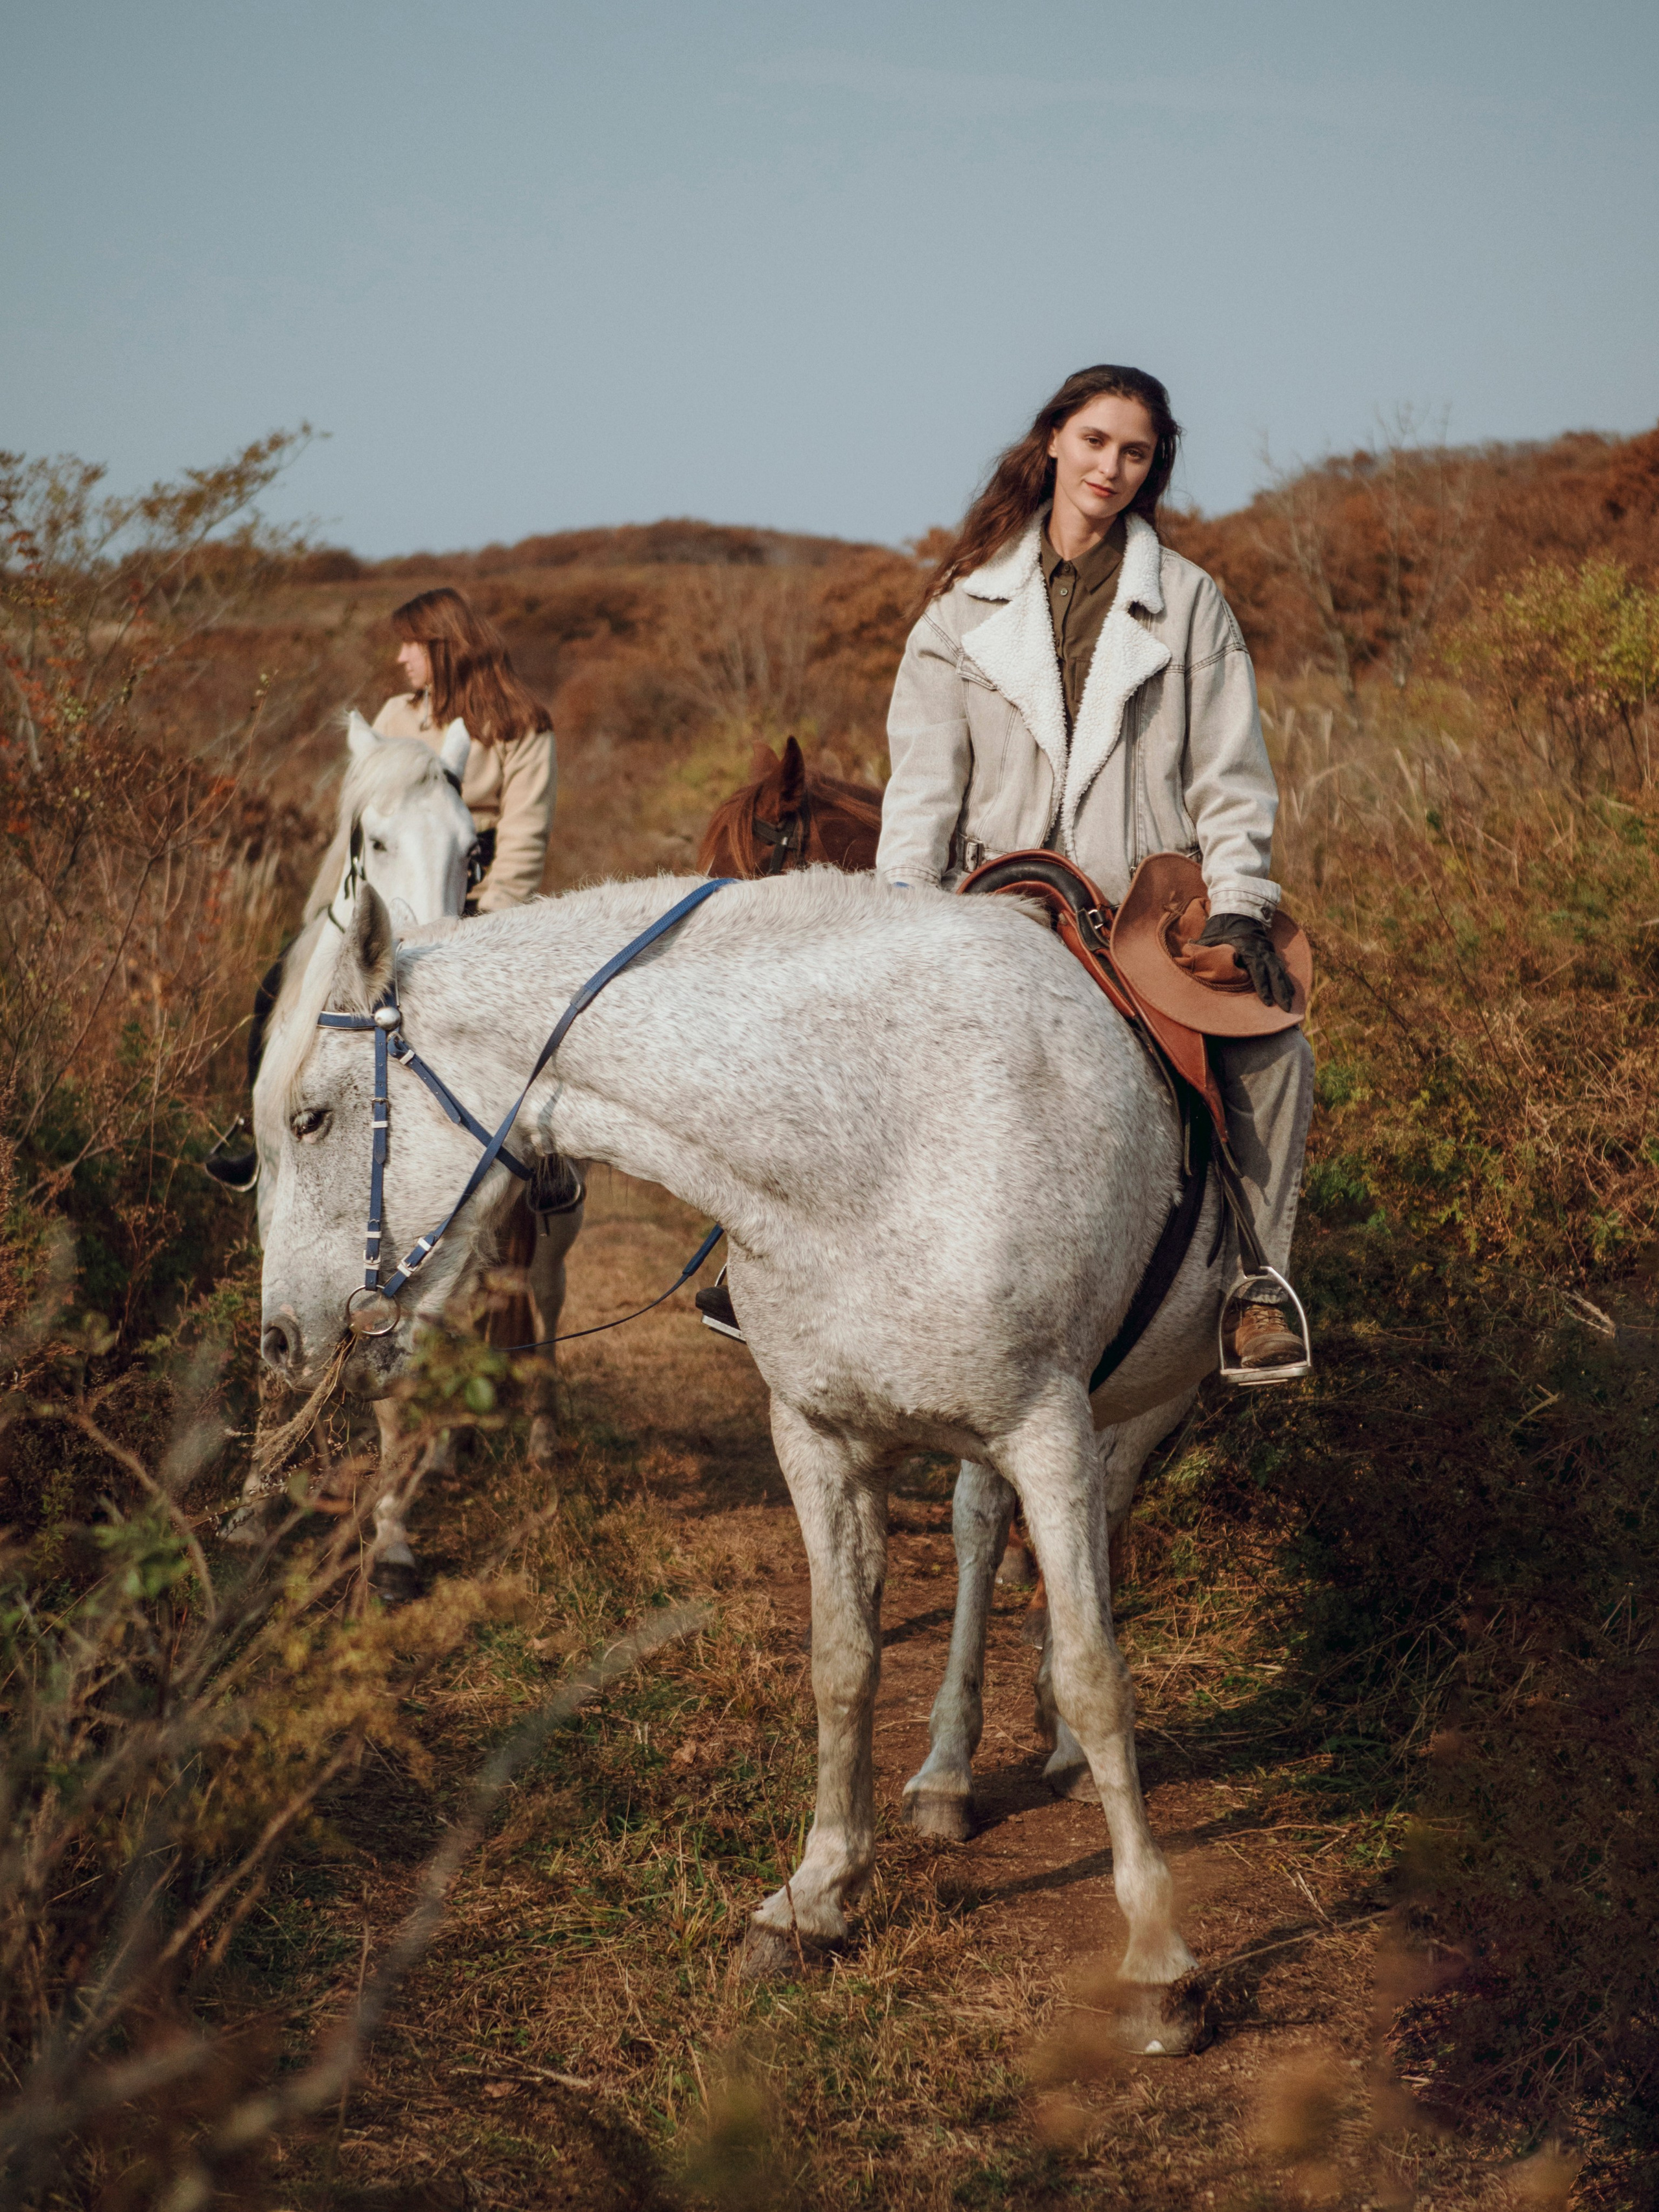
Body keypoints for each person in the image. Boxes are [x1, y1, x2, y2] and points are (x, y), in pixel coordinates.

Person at [876, 364, 1314, 1373]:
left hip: (1142, 910)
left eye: (1135, 451)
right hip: (997, 907)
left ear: (1152, 467)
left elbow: (1232, 777)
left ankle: (1256, 1281)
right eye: (1095, 441)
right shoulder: (957, 612)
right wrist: (897, 915)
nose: (1110, 466)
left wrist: (1243, 900)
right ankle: (775, 1268)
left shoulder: (1191, 603)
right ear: (1053, 441)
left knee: (1273, 1052)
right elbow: (924, 791)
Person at [373, 587, 555, 912]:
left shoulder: (521, 725)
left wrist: (492, 919)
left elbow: (525, 835)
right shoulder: (392, 718)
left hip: (480, 908)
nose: (401, 657)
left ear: (441, 646)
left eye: (410, 644)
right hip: (395, 906)